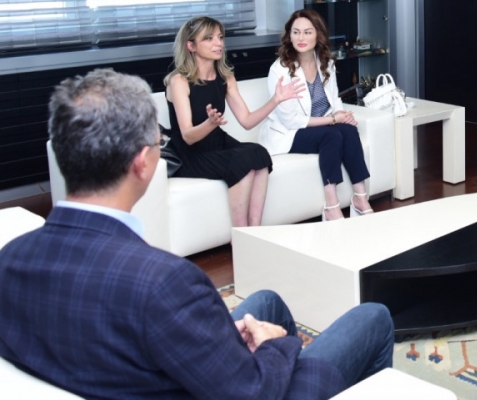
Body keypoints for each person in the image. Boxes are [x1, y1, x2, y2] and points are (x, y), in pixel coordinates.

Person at [0, 68, 394, 399]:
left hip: (152, 374)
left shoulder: (11, 259)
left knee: (266, 301)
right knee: (373, 317)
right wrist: (275, 346)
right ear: (142, 163)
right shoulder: (165, 281)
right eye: (158, 142)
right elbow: (250, 391)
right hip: (245, 390)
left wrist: (214, 336)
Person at [165, 16, 304, 227]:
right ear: (191, 45)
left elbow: (247, 121)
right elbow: (188, 136)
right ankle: (240, 232)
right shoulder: (179, 81)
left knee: (259, 153)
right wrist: (210, 124)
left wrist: (275, 100)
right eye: (209, 38)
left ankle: (255, 231)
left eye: (220, 37)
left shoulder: (225, 78)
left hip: (217, 143)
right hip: (189, 154)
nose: (218, 43)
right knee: (243, 160)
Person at [259, 9, 372, 220]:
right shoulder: (280, 69)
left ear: (318, 34)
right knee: (331, 135)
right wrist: (333, 120)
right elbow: (291, 121)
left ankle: (360, 198)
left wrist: (341, 114)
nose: (301, 38)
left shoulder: (325, 62)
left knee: (349, 130)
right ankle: (331, 205)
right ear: (289, 35)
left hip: (319, 125)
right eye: (296, 32)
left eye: (307, 32)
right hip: (289, 133)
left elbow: (334, 99)